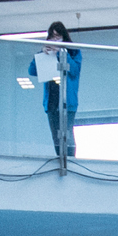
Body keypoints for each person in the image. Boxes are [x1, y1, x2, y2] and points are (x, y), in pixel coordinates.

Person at [29, 21, 81, 161]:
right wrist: (42, 53)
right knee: (56, 135)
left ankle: (70, 160)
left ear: (64, 38)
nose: (55, 40)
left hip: (67, 101)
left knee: (67, 133)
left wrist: (61, 52)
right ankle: (60, 159)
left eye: (58, 37)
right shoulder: (46, 53)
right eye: (52, 37)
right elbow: (32, 71)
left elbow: (74, 70)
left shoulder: (74, 52)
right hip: (52, 100)